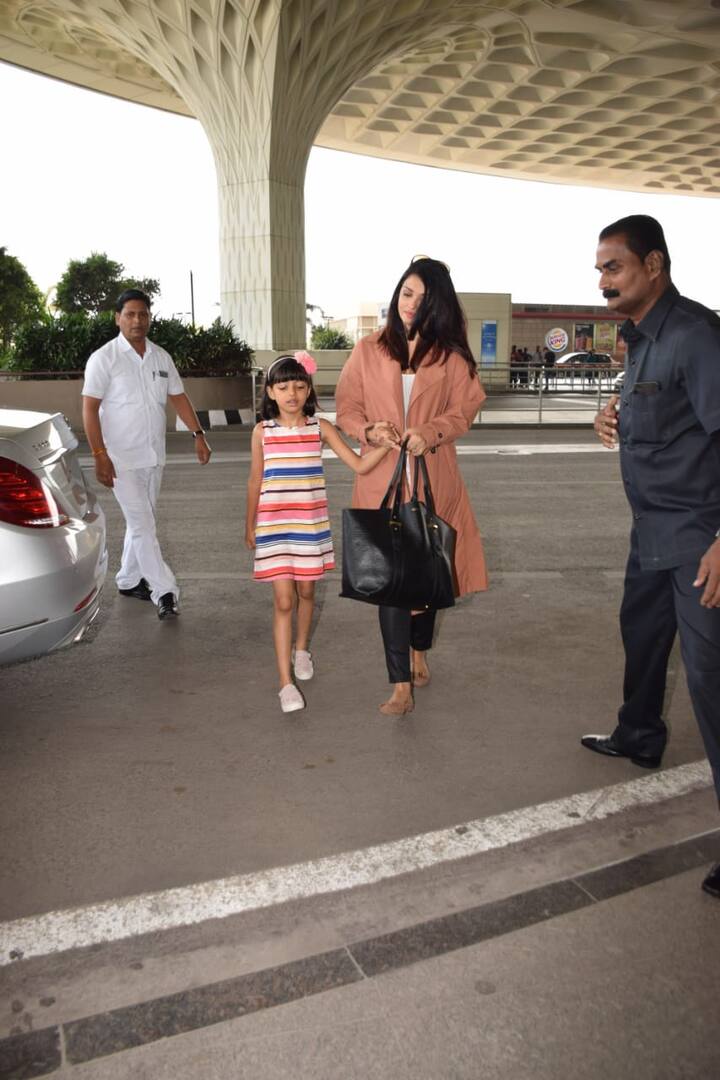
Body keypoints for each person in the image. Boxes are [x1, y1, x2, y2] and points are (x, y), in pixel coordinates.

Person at [584, 214, 720, 901]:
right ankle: (638, 735)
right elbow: (652, 414)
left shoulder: (696, 336)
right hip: (652, 534)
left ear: (654, 266)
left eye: (614, 267)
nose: (602, 280)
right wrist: (606, 416)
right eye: (600, 268)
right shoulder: (639, 342)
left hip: (699, 540)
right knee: (640, 636)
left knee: (712, 685)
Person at [335, 256, 488, 716]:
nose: (410, 304)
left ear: (437, 306)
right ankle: (400, 683)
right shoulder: (368, 350)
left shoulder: (451, 357)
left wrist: (432, 431)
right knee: (391, 586)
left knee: (430, 579)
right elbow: (346, 408)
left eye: (422, 299)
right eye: (406, 293)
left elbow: (465, 411)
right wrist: (368, 432)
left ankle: (420, 650)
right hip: (382, 480)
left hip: (433, 480)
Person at [245, 352, 389, 713]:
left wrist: (386, 446)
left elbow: (357, 463)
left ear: (308, 389)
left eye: (298, 385)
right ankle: (285, 684)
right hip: (274, 526)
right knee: (283, 601)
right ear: (271, 392)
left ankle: (302, 648)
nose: (291, 393)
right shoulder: (263, 432)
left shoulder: (320, 428)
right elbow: (255, 480)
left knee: (307, 593)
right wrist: (250, 524)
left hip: (309, 527)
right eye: (283, 386)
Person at [82, 289, 211, 620]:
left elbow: (178, 397)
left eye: (143, 314)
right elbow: (89, 409)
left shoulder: (160, 357)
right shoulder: (104, 358)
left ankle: (127, 579)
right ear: (118, 318)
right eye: (130, 314)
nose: (137, 320)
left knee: (143, 522)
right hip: (120, 459)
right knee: (142, 525)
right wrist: (99, 454)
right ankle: (164, 591)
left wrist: (199, 434)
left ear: (149, 318)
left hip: (154, 456)